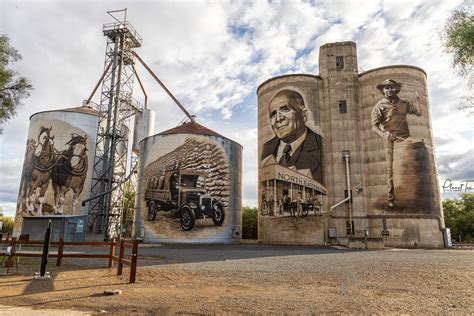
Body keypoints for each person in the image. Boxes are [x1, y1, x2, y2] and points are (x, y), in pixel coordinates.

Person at [371, 79, 421, 207]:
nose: (389, 90)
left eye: (391, 87)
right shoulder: (379, 106)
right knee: (391, 169)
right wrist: (384, 134)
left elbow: (418, 113)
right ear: (383, 90)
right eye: (386, 88)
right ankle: (391, 198)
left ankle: (410, 195)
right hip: (390, 140)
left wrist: (418, 100)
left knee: (409, 165)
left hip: (405, 138)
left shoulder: (404, 103)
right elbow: (374, 126)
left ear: (396, 89)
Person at [261, 89, 323, 183]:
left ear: (304, 114)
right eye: (273, 114)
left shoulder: (323, 146)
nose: (278, 118)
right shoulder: (265, 149)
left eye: (285, 109)